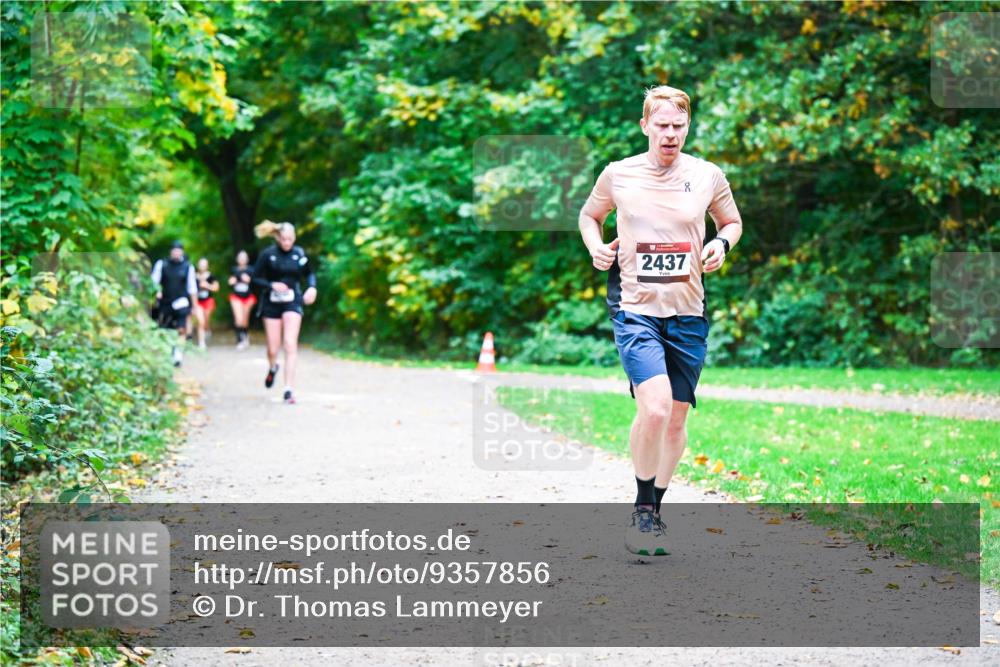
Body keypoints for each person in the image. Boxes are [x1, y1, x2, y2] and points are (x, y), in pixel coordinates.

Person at [578, 85, 743, 556]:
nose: (670, 134)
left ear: (687, 127)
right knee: (652, 408)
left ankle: (656, 509)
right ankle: (642, 510)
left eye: (679, 126)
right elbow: (590, 216)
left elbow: (731, 222)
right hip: (636, 308)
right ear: (645, 125)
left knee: (674, 419)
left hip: (688, 311)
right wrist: (594, 245)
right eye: (662, 125)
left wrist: (721, 245)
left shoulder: (708, 175)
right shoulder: (619, 174)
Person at [252, 220, 317, 404]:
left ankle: (288, 389)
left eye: (290, 239)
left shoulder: (299, 254)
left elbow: (310, 274)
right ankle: (273, 367)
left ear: (294, 238)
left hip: (292, 301)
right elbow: (255, 278)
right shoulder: (268, 255)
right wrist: (271, 285)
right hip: (272, 303)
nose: (287, 242)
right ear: (278, 238)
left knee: (290, 344)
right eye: (284, 239)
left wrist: (312, 288)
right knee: (273, 349)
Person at [151, 241, 197, 367]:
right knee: (166, 328)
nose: (176, 253)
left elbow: (192, 288)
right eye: (174, 250)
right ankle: (169, 352)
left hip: (182, 302)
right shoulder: (162, 265)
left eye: (179, 250)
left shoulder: (188, 267)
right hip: (165, 302)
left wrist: (194, 306)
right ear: (170, 251)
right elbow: (153, 283)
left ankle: (178, 354)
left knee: (181, 329)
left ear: (182, 252)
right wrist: (156, 293)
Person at [228, 250, 256, 350]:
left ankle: (245, 335)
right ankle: (239, 340)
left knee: (244, 320)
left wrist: (248, 280)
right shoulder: (234, 270)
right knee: (238, 319)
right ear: (237, 259)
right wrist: (232, 281)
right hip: (236, 297)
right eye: (240, 257)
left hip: (248, 297)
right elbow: (230, 281)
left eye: (244, 258)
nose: (242, 260)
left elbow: (256, 282)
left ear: (247, 259)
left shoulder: (251, 270)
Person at [193, 258, 220, 350]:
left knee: (206, 320)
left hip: (208, 301)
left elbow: (216, 288)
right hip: (197, 302)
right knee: (201, 321)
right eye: (201, 264)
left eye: (204, 264)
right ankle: (201, 342)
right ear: (198, 265)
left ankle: (207, 329)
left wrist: (207, 286)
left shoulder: (211, 276)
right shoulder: (193, 276)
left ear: (207, 266)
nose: (202, 266)